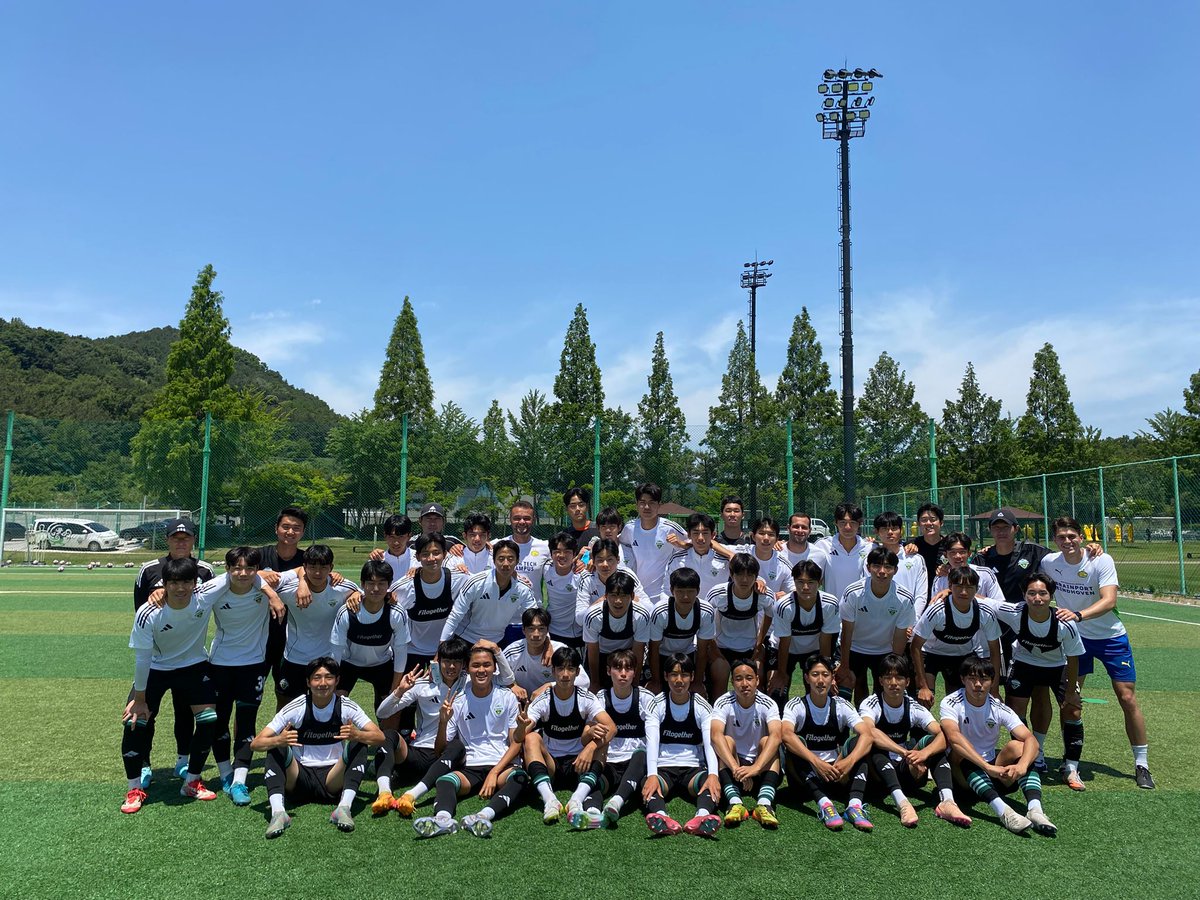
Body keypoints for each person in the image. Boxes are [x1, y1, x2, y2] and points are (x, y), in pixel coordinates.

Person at [1040, 516, 1154, 789]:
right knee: (1070, 700)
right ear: (1054, 539)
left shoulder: (1101, 560)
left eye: (1071, 536)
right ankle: (1071, 762)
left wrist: (1078, 615)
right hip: (1075, 639)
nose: (1067, 541)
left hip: (1110, 638)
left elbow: (1109, 600)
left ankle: (1142, 763)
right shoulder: (1049, 563)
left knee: (1126, 697)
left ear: (1081, 537)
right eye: (1061, 537)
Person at [119, 556, 221, 814]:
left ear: (195, 582)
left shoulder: (204, 595)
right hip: (156, 668)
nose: (181, 588)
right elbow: (142, 658)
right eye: (174, 582)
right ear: (164, 583)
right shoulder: (148, 612)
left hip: (194, 665)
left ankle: (192, 781)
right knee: (135, 720)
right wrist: (139, 698)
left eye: (186, 581)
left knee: (209, 720)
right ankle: (134, 788)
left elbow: (239, 574)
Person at [250, 657, 385, 838]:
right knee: (275, 743)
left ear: (337, 681)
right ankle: (278, 813)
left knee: (359, 741)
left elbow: (380, 737)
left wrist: (358, 735)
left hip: (332, 779)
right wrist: (279, 740)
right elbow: (256, 743)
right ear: (308, 682)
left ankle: (343, 808)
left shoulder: (346, 706)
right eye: (317, 678)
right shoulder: (297, 707)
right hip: (299, 778)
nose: (323, 683)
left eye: (328, 677)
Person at [131, 517, 216, 784]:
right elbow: (139, 612)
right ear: (167, 540)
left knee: (185, 711)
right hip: (157, 659)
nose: (181, 542)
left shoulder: (205, 570)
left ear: (193, 540)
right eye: (176, 538)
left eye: (186, 537)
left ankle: (183, 760)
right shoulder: (149, 570)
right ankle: (144, 764)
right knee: (145, 713)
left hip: (190, 658)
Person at [413, 644, 530, 838]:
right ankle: (443, 820)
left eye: (486, 665)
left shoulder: (507, 697)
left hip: (501, 766)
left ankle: (483, 816)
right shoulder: (458, 700)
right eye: (476, 665)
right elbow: (440, 750)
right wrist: (443, 722)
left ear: (495, 668)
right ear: (468, 669)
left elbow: (516, 743)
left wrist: (494, 772)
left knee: (519, 778)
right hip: (471, 766)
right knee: (444, 781)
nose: (481, 670)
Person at [201, 546, 286, 806]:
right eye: (236, 567)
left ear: (257, 570)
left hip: (252, 666)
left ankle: (239, 780)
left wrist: (271, 591)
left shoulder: (262, 585)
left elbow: (297, 574)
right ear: (227, 569)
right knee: (220, 722)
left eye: (249, 568)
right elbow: (187, 598)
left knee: (247, 724)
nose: (243, 573)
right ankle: (226, 773)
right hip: (220, 665)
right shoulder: (216, 588)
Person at [939, 658, 1056, 835]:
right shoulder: (951, 702)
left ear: (992, 682)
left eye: (984, 679)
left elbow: (1031, 739)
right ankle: (1004, 812)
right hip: (960, 775)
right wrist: (987, 767)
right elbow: (953, 737)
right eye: (972, 678)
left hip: (993, 771)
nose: (978, 684)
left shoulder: (998, 707)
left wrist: (1022, 766)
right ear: (963, 680)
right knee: (960, 748)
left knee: (1019, 746)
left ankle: (1035, 809)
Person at [857, 653, 970, 827]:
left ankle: (947, 801)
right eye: (888, 678)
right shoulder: (871, 703)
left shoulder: (913, 706)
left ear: (907, 682)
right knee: (873, 744)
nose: (893, 683)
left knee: (933, 742)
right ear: (880, 681)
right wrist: (903, 752)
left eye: (899, 677)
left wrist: (924, 753)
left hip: (906, 769)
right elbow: (868, 731)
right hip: (878, 774)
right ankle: (902, 803)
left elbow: (942, 734)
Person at [995, 572, 1083, 777]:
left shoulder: (1064, 622)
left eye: (1043, 593)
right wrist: (947, 591)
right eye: (1031, 593)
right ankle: (1034, 755)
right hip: (1024, 664)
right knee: (1015, 712)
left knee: (1073, 710)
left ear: (1051, 596)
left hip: (1056, 667)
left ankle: (1071, 766)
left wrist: (1071, 692)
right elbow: (983, 601)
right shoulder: (1015, 612)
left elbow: (1073, 658)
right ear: (1024, 595)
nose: (1037, 598)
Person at [373, 637, 471, 817]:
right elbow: (382, 713)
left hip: (447, 755)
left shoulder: (470, 683)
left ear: (464, 664)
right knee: (388, 735)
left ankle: (412, 795)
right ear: (438, 661)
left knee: (457, 745)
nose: (451, 667)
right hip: (418, 753)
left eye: (456, 662)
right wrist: (400, 690)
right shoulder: (423, 685)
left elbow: (496, 675)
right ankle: (384, 792)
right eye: (447, 661)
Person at [523, 646, 615, 828]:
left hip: (579, 764)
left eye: (570, 669)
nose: (565, 674)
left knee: (603, 739)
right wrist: (520, 726)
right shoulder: (543, 699)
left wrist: (590, 748)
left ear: (577, 672)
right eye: (560, 669)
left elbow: (612, 727)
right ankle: (550, 800)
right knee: (530, 738)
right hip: (552, 765)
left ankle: (577, 799)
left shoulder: (586, 698)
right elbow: (521, 735)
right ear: (553, 671)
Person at [781, 654, 874, 830]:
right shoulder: (796, 705)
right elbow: (785, 734)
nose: (821, 680)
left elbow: (868, 735)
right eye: (815, 674)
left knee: (859, 744)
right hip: (807, 776)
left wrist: (849, 761)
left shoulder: (841, 705)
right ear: (806, 678)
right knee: (794, 742)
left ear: (832, 678)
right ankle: (825, 805)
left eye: (825, 674)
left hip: (836, 772)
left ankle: (854, 806)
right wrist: (816, 762)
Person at [642, 653, 723, 837]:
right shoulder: (656, 705)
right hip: (664, 767)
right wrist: (653, 774)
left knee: (710, 784)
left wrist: (712, 774)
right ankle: (661, 817)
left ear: (692, 677)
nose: (679, 680)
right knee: (647, 784)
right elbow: (652, 741)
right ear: (665, 677)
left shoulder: (702, 706)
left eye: (685, 675)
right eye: (674, 675)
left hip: (693, 768)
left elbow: (709, 743)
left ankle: (701, 817)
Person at [273, 545, 360, 707]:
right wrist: (273, 597)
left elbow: (362, 593)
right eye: (312, 567)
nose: (318, 572)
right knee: (286, 707)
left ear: (331, 568)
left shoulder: (342, 587)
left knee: (325, 707)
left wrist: (356, 595)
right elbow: (261, 585)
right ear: (304, 567)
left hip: (327, 659)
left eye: (323, 567)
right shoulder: (289, 591)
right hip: (295, 658)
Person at [910, 566, 1003, 709]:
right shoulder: (937, 609)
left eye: (969, 587)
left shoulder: (984, 611)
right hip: (930, 654)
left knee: (961, 704)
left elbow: (995, 651)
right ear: (949, 586)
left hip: (961, 656)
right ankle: (922, 731)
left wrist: (995, 690)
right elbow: (915, 645)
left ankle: (956, 731)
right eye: (959, 586)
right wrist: (922, 686)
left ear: (976, 589)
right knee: (924, 700)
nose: (964, 592)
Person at [835, 547, 917, 705]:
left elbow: (900, 636)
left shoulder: (904, 598)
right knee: (855, 683)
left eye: (888, 567)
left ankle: (881, 726)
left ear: (895, 570)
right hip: (855, 648)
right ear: (868, 568)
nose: (882, 571)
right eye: (876, 566)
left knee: (883, 690)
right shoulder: (853, 592)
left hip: (884, 650)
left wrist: (894, 664)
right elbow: (846, 631)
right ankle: (860, 725)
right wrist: (844, 664)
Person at [330, 559, 410, 720]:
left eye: (381, 583)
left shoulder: (396, 612)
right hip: (349, 664)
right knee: (334, 706)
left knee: (389, 711)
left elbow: (401, 651)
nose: (375, 588)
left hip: (381, 664)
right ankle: (335, 743)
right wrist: (333, 684)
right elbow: (335, 652)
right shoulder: (347, 612)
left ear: (389, 585)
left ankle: (387, 742)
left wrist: (395, 689)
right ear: (362, 584)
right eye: (370, 583)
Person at [711, 662, 783, 829]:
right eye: (739, 679)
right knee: (725, 740)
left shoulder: (767, 703)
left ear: (757, 680)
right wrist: (736, 768)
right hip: (733, 768)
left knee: (768, 741)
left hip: (761, 767)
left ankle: (764, 804)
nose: (744, 684)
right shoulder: (723, 702)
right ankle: (735, 803)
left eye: (749, 678)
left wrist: (756, 768)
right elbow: (715, 735)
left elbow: (776, 736)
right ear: (732, 682)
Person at [762, 560, 840, 710]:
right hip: (784, 650)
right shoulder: (784, 606)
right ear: (794, 582)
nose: (805, 587)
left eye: (811, 582)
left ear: (819, 582)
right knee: (777, 692)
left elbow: (825, 642)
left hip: (813, 650)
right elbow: (784, 642)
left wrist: (827, 674)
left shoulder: (829, 604)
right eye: (800, 582)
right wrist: (781, 674)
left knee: (822, 690)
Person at [255, 507, 309, 712]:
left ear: (302, 532)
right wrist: (258, 572)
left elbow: (326, 573)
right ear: (276, 528)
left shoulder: (307, 560)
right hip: (258, 636)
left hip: (291, 639)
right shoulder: (259, 555)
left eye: (297, 528)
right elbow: (234, 568)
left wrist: (303, 581)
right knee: (250, 700)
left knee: (287, 697)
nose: (290, 532)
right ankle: (245, 743)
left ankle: (282, 743)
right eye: (286, 526)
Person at [595, 649, 654, 826]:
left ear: (635, 672)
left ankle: (617, 802)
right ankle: (592, 813)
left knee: (642, 754)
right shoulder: (600, 698)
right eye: (618, 668)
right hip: (610, 759)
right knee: (596, 784)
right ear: (608, 671)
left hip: (635, 762)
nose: (623, 673)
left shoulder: (645, 697)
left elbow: (652, 737)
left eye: (628, 669)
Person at [439, 540, 536, 646]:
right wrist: (442, 645)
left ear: (517, 561)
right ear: (494, 561)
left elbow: (535, 618)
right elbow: (455, 616)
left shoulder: (523, 588)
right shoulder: (476, 582)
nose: (506, 564)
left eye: (510, 559)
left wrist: (547, 643)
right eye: (501, 559)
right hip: (467, 637)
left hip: (497, 641)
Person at [706, 554, 768, 701]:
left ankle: (755, 719)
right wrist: (713, 647)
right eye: (739, 574)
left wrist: (759, 643)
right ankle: (718, 718)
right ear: (731, 574)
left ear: (756, 576)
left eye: (750, 575)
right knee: (719, 681)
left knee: (757, 681)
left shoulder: (763, 595)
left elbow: (769, 613)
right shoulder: (718, 593)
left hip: (749, 648)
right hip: (722, 647)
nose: (745, 580)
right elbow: (704, 617)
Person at [648, 567, 716, 695]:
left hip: (687, 655)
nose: (685, 596)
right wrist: (656, 681)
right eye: (680, 591)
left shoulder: (705, 611)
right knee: (655, 691)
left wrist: (697, 682)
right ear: (672, 591)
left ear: (698, 591)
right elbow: (653, 649)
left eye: (690, 591)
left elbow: (702, 651)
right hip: (662, 656)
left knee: (696, 691)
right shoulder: (660, 612)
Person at [501, 607, 591, 702]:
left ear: (548, 630)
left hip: (551, 702)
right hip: (521, 703)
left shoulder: (560, 650)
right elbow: (495, 677)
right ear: (523, 630)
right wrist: (512, 686)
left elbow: (584, 681)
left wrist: (550, 686)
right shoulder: (512, 651)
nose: (536, 634)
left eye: (541, 628)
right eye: (531, 628)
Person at [583, 570, 650, 690]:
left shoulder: (641, 615)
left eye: (623, 596)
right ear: (606, 595)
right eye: (613, 595)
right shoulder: (593, 615)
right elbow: (592, 650)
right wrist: (595, 683)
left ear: (632, 596)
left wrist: (634, 684)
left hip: (628, 657)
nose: (618, 601)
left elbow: (638, 650)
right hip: (601, 657)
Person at [620, 482, 687, 598]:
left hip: (663, 595)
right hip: (636, 594)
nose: (647, 507)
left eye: (651, 503)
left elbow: (695, 544)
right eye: (642, 503)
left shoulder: (670, 528)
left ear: (659, 505)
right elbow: (616, 544)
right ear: (637, 504)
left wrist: (680, 543)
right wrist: (592, 556)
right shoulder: (629, 528)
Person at [574, 538, 651, 629]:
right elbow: (579, 619)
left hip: (627, 630)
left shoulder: (627, 575)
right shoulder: (587, 578)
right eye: (600, 560)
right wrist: (603, 601)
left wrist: (630, 599)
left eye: (610, 559)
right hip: (597, 631)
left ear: (618, 559)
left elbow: (649, 608)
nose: (605, 564)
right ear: (593, 561)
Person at [864, 512, 928, 602]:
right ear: (877, 531)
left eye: (894, 528)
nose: (890, 532)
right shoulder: (870, 558)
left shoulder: (915, 559)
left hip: (908, 613)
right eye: (885, 529)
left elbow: (921, 595)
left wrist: (915, 615)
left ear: (901, 531)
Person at [665, 513, 731, 599]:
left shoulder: (725, 561)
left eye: (705, 533)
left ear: (713, 535)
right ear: (689, 534)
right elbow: (667, 590)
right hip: (685, 611)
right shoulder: (677, 559)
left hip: (716, 610)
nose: (700, 538)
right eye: (696, 533)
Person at [816, 502, 871, 603]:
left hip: (861, 612)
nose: (847, 527)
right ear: (836, 523)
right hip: (832, 610)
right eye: (843, 522)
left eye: (853, 523)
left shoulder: (870, 547)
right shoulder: (822, 546)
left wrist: (909, 546)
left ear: (860, 524)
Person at [542, 532, 584, 648]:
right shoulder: (545, 568)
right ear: (551, 554)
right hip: (551, 631)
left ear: (574, 554)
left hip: (575, 634)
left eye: (567, 552)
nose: (562, 555)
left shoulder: (581, 575)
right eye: (556, 552)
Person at [908, 502, 946, 598]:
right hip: (917, 598)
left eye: (933, 519)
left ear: (941, 522)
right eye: (924, 520)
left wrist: (951, 569)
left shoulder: (949, 545)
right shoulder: (910, 545)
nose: (928, 523)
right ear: (918, 524)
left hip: (942, 598)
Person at [367, 514, 414, 580]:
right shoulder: (377, 560)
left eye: (401, 537)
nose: (396, 542)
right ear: (385, 536)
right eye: (392, 537)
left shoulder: (420, 559)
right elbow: (366, 587)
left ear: (409, 536)